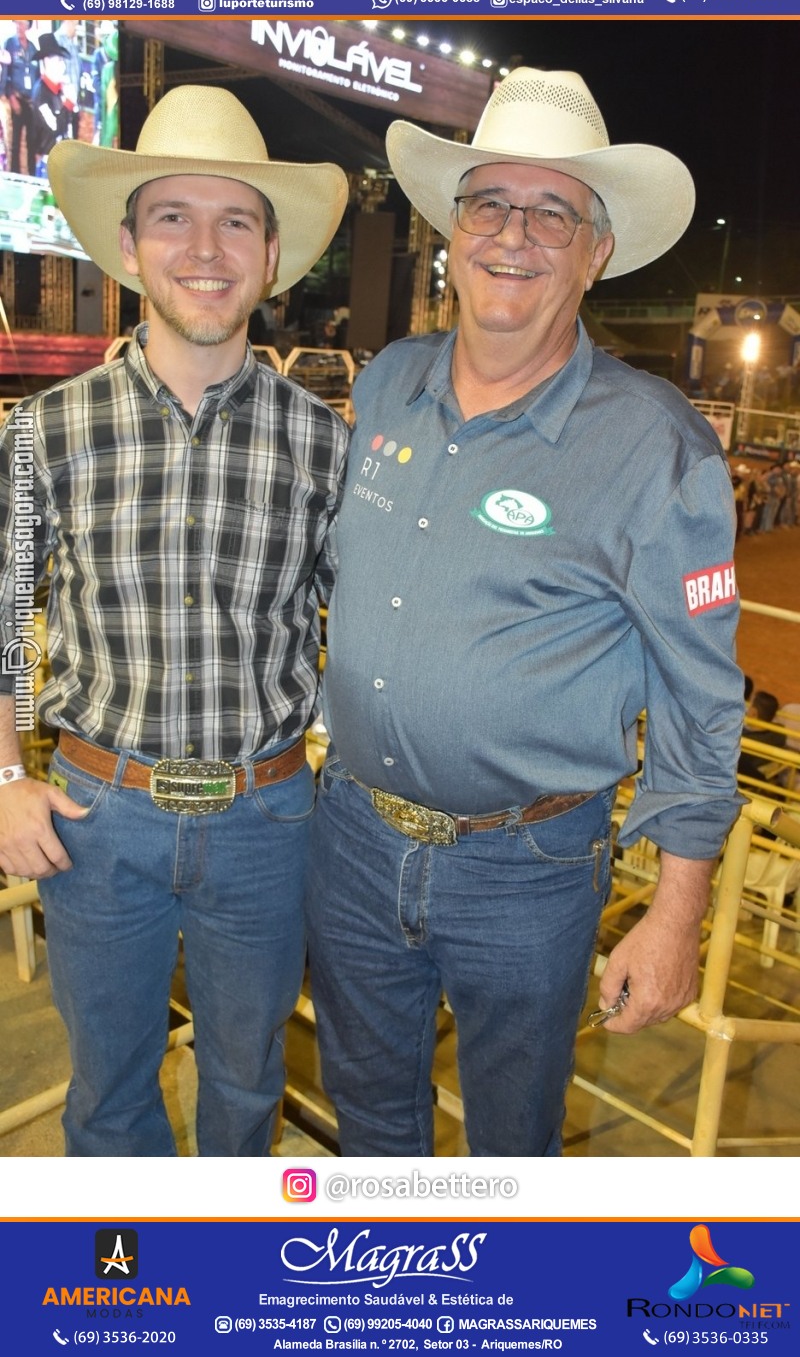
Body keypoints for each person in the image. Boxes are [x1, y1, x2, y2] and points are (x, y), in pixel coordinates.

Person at [306, 66, 744, 1157]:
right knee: (369, 1124)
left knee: (510, 1146)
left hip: (527, 870)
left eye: (554, 211)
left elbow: (701, 699)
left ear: (595, 252)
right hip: (351, 835)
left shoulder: (656, 446)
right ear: (453, 232)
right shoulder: (384, 386)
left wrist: (675, 909)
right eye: (490, 203)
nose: (514, 232)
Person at [0, 85, 349, 1156]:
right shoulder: (47, 431)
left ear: (270, 249)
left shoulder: (325, 440)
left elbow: (369, 623)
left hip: (269, 821)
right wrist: (6, 779)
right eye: (172, 217)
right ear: (127, 244)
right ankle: (134, 1310)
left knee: (248, 1089)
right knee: (108, 1097)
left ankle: (232, 1298)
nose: (205, 246)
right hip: (101, 821)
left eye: (235, 218)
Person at [29, 33, 78, 176]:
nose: (62, 66)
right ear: (47, 62)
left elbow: (71, 124)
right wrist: (68, 104)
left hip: (65, 159)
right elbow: (54, 127)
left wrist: (73, 107)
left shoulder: (60, 90)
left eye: (62, 61)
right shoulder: (40, 94)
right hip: (49, 162)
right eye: (58, 61)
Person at [0, 20, 38, 174]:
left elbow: (37, 74)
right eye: (17, 24)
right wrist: (11, 96)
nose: (19, 27)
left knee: (32, 142)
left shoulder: (33, 48)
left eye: (22, 24)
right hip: (16, 100)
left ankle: (33, 176)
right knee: (15, 143)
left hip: (31, 103)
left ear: (28, 27)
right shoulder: (10, 44)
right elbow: (5, 74)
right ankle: (15, 175)